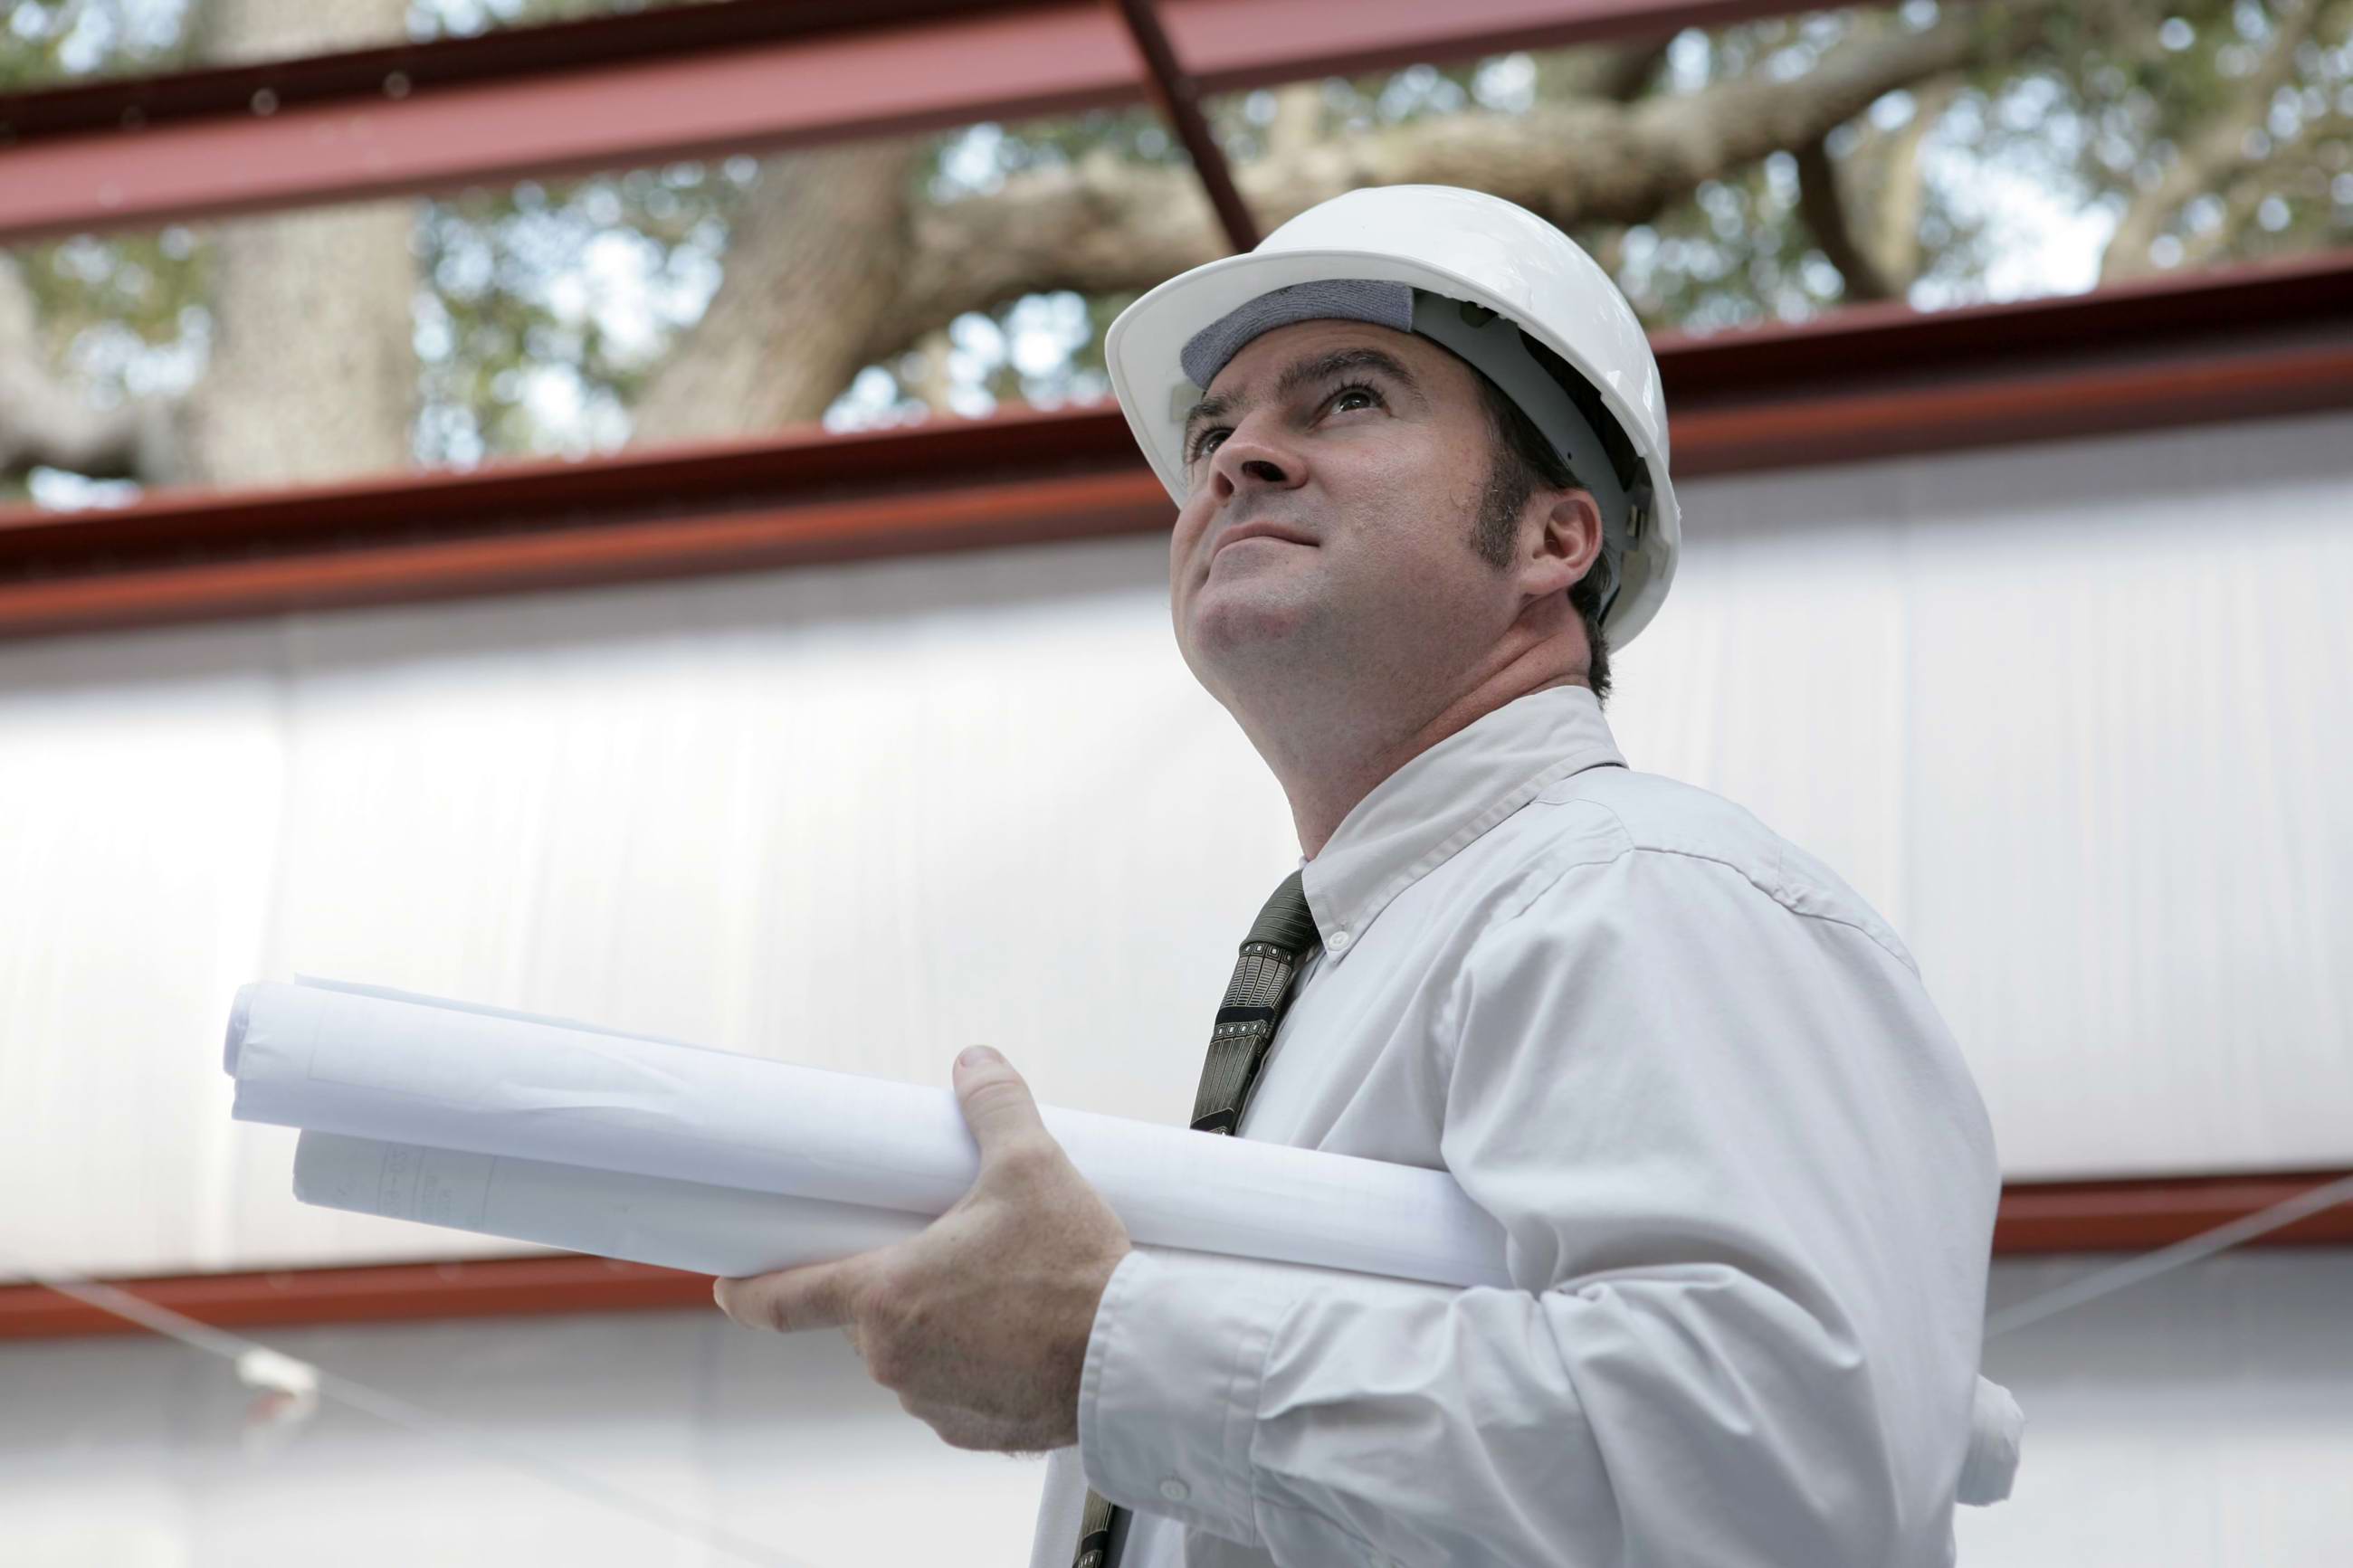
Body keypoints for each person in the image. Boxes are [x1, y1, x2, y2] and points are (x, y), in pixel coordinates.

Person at [713, 185, 2014, 1566]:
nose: (1236, 461)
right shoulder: (1382, 962)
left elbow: (1778, 1481)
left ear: (1551, 539)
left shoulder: (1647, 893)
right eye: (1214, 431)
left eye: (1345, 400)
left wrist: (1113, 1342)